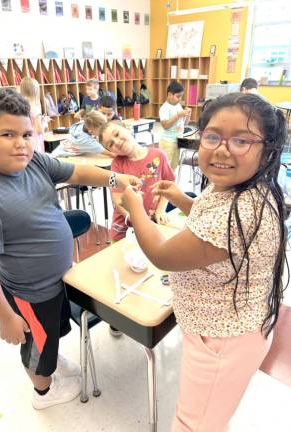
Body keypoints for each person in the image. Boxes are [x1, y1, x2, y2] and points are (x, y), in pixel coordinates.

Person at [120, 92, 287, 431]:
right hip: (224, 325)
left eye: (241, 140)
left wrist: (134, 209)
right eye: (212, 136)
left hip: (224, 339)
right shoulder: (235, 187)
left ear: (267, 149)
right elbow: (209, 222)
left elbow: (163, 256)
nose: (222, 149)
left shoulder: (241, 209)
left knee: (194, 423)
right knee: (208, 416)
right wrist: (181, 199)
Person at [0, 88, 140, 410]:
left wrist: (116, 180)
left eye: (27, 134)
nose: (21, 143)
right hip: (30, 291)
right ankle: (42, 393)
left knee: (51, 333)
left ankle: (49, 358)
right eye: (7, 134)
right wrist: (5, 317)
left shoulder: (33, 161)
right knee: (36, 346)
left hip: (61, 277)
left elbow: (78, 171)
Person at [99, 121, 175, 242]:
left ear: (127, 128)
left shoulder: (159, 155)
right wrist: (133, 218)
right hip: (125, 230)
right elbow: (117, 199)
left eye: (117, 134)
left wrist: (160, 209)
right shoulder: (117, 164)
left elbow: (169, 184)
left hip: (153, 224)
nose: (117, 142)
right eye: (111, 144)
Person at [159, 81, 191, 171]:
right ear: (169, 95)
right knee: (165, 168)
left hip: (178, 141)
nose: (180, 99)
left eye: (181, 96)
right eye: (178, 96)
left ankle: (171, 183)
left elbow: (184, 124)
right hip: (168, 142)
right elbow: (165, 125)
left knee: (173, 167)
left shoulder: (178, 106)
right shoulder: (164, 108)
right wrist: (178, 116)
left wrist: (188, 116)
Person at [20, 77, 49, 153]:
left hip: (24, 141)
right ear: (36, 91)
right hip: (35, 143)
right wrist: (45, 122)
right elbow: (39, 130)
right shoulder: (35, 108)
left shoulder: (20, 106)